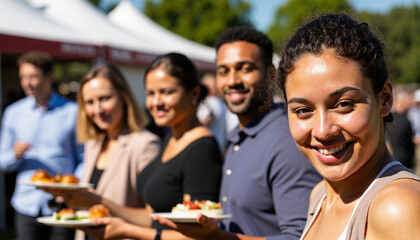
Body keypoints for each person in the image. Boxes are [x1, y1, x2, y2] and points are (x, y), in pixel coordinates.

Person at [155, 26, 321, 239]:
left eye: (245, 68)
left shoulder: (287, 140)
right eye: (223, 71)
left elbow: (301, 236)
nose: (232, 80)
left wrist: (215, 237)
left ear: (271, 74)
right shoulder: (237, 135)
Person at [276, 13, 420, 240]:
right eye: (303, 110)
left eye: (343, 105)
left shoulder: (399, 206)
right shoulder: (320, 195)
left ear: (384, 99)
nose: (323, 131)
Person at [61, 53, 223, 240]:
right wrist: (100, 202)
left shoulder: (201, 150)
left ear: (193, 94)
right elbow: (153, 217)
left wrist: (126, 231)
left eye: (166, 92)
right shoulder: (171, 139)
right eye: (150, 93)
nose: (156, 102)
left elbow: (199, 235)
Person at [45, 63, 161, 240]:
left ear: (123, 97)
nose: (98, 110)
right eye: (90, 102)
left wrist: (101, 202)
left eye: (105, 99)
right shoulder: (94, 143)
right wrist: (68, 196)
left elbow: (154, 217)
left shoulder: (145, 144)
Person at [0, 51, 84, 240]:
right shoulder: (14, 113)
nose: (27, 82)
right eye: (23, 77)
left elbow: (84, 157)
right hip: (26, 203)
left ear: (49, 77)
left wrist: (70, 190)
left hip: (62, 203)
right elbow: (2, 160)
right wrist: (14, 155)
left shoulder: (72, 112)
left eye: (33, 76)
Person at [386, 87, 415, 169]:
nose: (410, 104)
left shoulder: (388, 119)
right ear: (401, 102)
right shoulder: (404, 121)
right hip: (403, 163)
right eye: (408, 102)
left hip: (391, 163)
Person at [197, 73, 227, 149]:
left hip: (207, 146)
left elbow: (205, 121)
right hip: (219, 145)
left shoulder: (210, 102)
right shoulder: (220, 102)